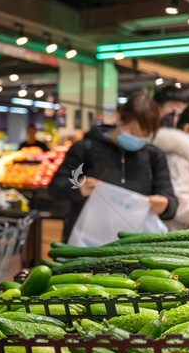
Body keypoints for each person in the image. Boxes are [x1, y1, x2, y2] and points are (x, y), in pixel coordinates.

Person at [49, 93, 177, 242]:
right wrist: (78, 187)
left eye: (146, 133)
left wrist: (166, 204)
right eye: (134, 131)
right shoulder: (86, 149)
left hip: (133, 246)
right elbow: (56, 187)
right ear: (119, 119)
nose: (138, 137)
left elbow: (170, 198)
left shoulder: (154, 157)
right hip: (85, 243)